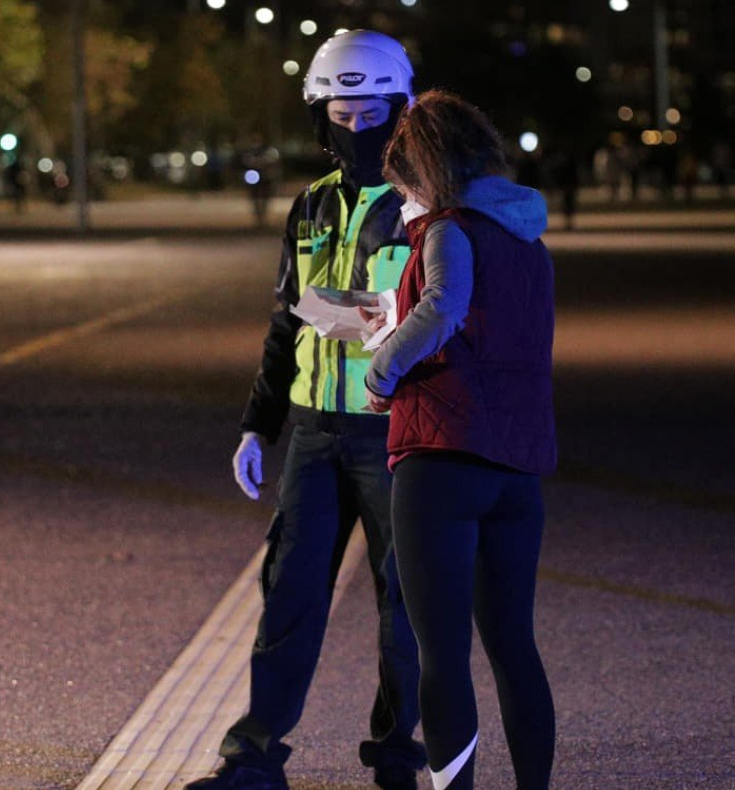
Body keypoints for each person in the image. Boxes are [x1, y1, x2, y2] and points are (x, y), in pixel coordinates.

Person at [188, 30, 425, 790]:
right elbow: (287, 323)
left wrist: (345, 313)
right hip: (314, 436)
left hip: (397, 435)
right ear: (320, 117)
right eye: (341, 116)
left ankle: (397, 756)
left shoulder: (426, 207)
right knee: (287, 595)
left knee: (405, 606)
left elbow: (437, 318)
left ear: (402, 112)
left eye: (371, 115)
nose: (356, 130)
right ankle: (253, 759)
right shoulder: (312, 204)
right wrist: (257, 426)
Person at [364, 89, 557, 790]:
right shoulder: (531, 243)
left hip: (441, 461)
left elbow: (444, 306)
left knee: (442, 656)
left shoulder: (450, 229)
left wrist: (382, 371)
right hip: (517, 467)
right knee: (514, 648)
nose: (405, 202)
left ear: (428, 170)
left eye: (406, 185)